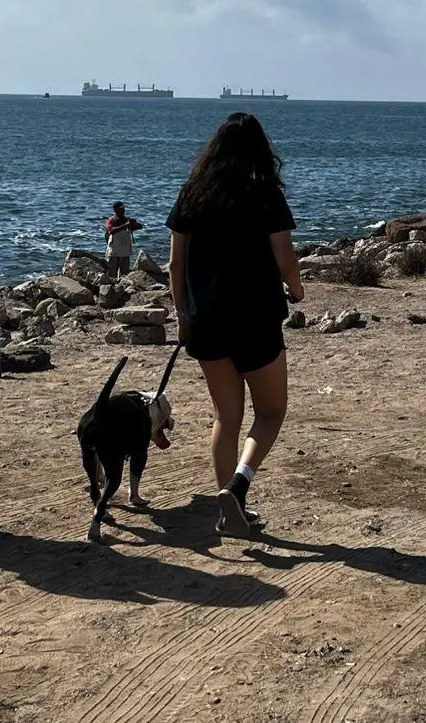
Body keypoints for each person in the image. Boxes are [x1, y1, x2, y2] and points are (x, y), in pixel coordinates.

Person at [167, 112, 303, 538]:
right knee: (271, 412)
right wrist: (297, 290)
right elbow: (286, 260)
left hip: (206, 320)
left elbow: (175, 265)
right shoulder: (265, 195)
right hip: (256, 319)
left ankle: (229, 514)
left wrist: (183, 316)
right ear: (260, 151)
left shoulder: (193, 194)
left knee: (226, 417)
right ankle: (239, 486)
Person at [105, 201, 144, 277]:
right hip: (114, 253)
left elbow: (140, 226)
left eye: (123, 209)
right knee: (111, 275)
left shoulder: (127, 220)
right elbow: (111, 230)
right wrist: (124, 226)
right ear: (115, 210)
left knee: (124, 275)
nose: (123, 211)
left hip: (125, 252)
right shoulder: (112, 220)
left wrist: (133, 225)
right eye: (120, 209)